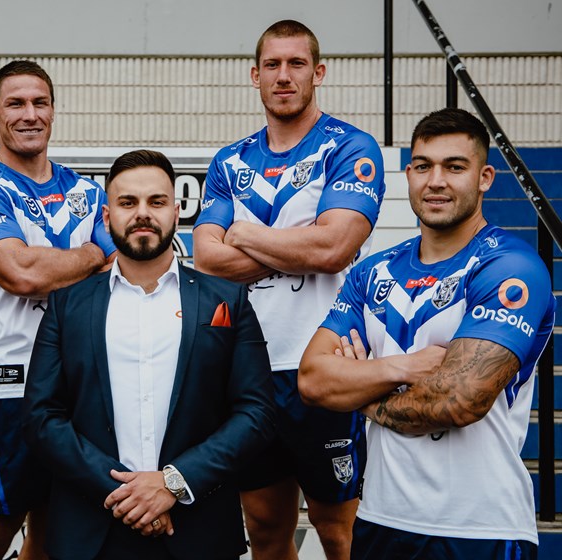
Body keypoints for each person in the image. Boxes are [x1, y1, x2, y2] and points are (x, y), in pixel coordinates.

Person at [299, 107, 552, 559]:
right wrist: (404, 367)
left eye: (454, 167)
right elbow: (313, 379)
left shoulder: (510, 267)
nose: (435, 181)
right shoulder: (371, 272)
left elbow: (458, 401)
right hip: (380, 519)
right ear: (409, 174)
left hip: (480, 528)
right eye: (423, 166)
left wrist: (363, 391)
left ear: (485, 177)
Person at [192, 19, 386, 560]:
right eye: (272, 65)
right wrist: (300, 240)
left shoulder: (349, 147)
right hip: (249, 371)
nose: (284, 76)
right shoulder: (230, 161)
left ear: (318, 73)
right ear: (254, 76)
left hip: (325, 366)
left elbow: (333, 250)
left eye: (296, 64)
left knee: (338, 530)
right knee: (266, 530)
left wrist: (247, 233)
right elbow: (207, 258)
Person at [22, 149, 277, 560]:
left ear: (177, 213)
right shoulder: (67, 305)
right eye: (127, 203)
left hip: (198, 529)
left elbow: (256, 412)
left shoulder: (227, 299)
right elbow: (41, 416)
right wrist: (127, 494)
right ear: (107, 218)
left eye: (156, 202)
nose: (143, 213)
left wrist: (173, 483)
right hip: (91, 532)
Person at [0, 60, 117, 560]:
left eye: (39, 102)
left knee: (52, 541)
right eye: (15, 103)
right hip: (11, 386)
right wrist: (90, 255)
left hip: (81, 387)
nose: (29, 114)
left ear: (53, 111)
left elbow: (120, 270)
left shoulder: (88, 192)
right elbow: (21, 273)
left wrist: (64, 264)